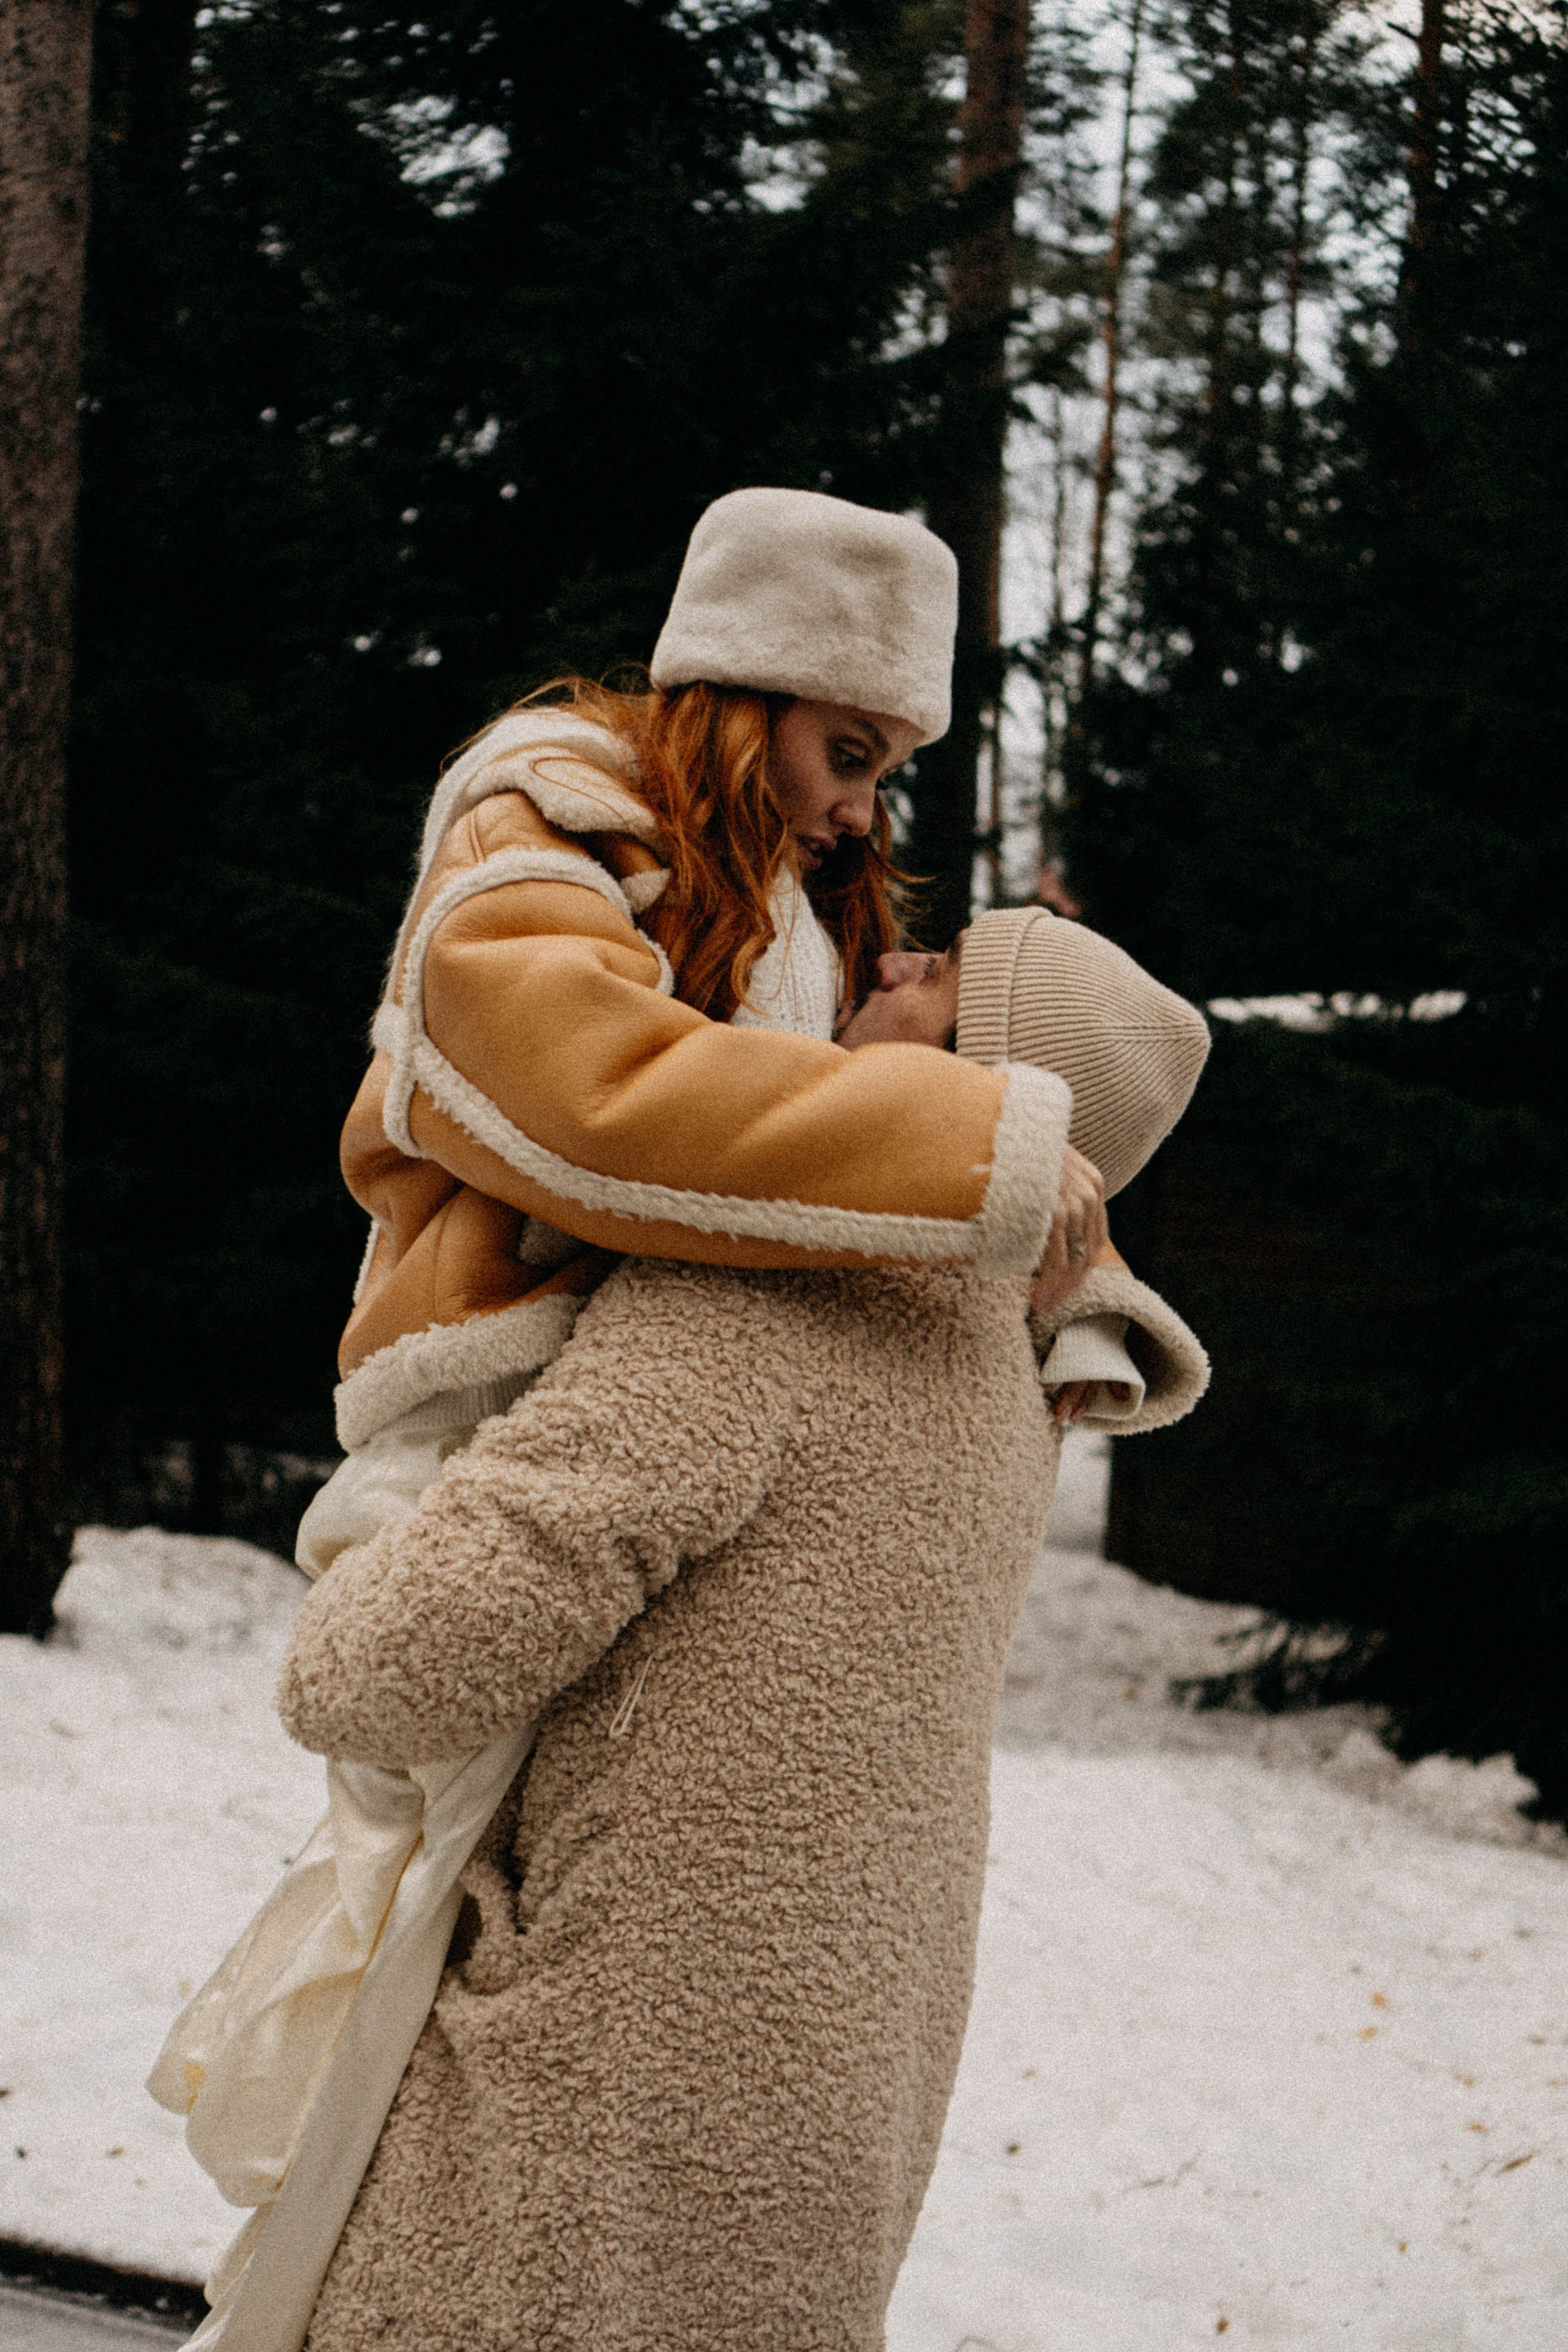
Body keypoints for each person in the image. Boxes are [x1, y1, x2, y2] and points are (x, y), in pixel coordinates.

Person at [272, 905, 1212, 2352]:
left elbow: (376, 1674)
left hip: (603, 2123)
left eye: (939, 972)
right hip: (826, 2118)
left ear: (991, 1076)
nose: (888, 956)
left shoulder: (775, 1292)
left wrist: (375, 1542)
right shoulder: (1011, 1373)